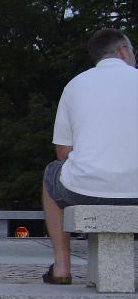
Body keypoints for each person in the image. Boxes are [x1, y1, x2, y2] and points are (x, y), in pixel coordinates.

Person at [42, 28, 138, 284]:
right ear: (123, 51)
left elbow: (63, 153)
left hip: (85, 189)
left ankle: (62, 267)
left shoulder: (75, 85)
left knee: (51, 173)